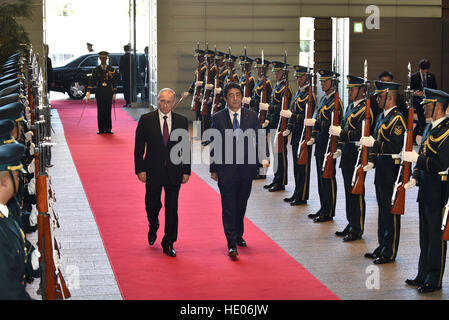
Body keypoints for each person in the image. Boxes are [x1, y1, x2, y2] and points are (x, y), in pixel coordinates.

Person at [210, 82, 269, 258]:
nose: (235, 99)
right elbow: (215, 144)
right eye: (231, 95)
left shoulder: (251, 116)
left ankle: (239, 234)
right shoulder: (218, 117)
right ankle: (231, 243)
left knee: (241, 204)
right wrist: (214, 168)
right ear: (226, 98)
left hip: (246, 169)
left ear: (242, 97)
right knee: (228, 206)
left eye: (237, 95)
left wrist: (264, 157)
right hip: (226, 169)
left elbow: (260, 137)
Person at [402, 88, 449, 293]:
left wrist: (417, 160)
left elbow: (440, 163)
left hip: (439, 190)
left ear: (438, 106)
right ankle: (422, 273)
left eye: (427, 105)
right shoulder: (431, 128)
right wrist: (414, 175)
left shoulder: (447, 131)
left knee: (435, 236)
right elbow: (423, 153)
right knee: (425, 236)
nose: (424, 109)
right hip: (426, 189)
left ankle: (434, 278)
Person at [134, 88, 191, 257]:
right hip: (152, 171)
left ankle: (169, 242)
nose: (165, 105)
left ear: (174, 103)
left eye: (169, 102)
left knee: (172, 208)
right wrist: (140, 169)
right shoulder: (146, 120)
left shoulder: (181, 121)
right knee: (152, 204)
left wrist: (186, 170)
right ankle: (153, 224)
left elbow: (185, 147)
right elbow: (138, 147)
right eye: (162, 101)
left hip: (174, 171)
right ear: (158, 101)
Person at [360, 80, 406, 264]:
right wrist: (371, 159)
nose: (377, 99)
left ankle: (390, 250)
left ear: (390, 97)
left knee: (390, 211)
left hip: (391, 170)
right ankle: (382, 245)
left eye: (380, 96)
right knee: (382, 210)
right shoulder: (381, 117)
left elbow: (395, 146)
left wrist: (375, 145)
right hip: (381, 168)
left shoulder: (397, 119)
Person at [330, 75, 373, 241]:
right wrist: (339, 147)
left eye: (353, 89)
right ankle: (351, 222)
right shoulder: (350, 107)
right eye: (348, 89)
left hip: (357, 156)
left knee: (357, 192)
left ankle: (358, 227)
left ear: (362, 91)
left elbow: (363, 135)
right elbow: (344, 126)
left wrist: (342, 133)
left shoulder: (365, 110)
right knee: (348, 192)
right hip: (347, 155)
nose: (349, 92)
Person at [0, 143, 36, 300]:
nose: (19, 179)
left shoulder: (4, 215)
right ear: (3, 182)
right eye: (16, 176)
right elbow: (7, 291)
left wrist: (33, 263)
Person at [306, 69, 343, 222]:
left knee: (328, 177)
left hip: (329, 144)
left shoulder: (336, 102)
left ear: (332, 83)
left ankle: (329, 210)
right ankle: (323, 207)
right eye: (321, 81)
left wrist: (318, 124)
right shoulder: (324, 100)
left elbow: (334, 124)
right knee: (321, 177)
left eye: (325, 81)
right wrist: (313, 135)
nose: (322, 83)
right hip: (320, 143)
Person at [283, 65, 316, 205]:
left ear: (306, 78)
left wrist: (293, 117)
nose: (298, 79)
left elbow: (307, 117)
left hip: (304, 134)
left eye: (300, 77)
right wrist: (289, 127)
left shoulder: (310, 95)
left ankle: (302, 196)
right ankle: (297, 192)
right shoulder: (298, 93)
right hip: (296, 134)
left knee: (303, 167)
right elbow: (293, 109)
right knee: (296, 165)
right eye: (297, 77)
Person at [263, 60, 292, 192]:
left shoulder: (286, 89)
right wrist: (268, 118)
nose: (275, 74)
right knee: (276, 153)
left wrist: (270, 108)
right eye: (274, 72)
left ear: (284, 73)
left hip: (282, 124)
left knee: (281, 153)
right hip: (274, 123)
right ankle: (276, 178)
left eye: (278, 72)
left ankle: (281, 180)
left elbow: (283, 108)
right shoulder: (277, 87)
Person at [250, 57, 272, 180]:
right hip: (256, 116)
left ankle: (263, 171)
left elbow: (268, 101)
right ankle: (257, 168)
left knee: (263, 146)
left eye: (261, 69)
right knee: (257, 144)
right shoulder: (259, 82)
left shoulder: (267, 83)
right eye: (257, 68)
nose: (259, 71)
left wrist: (267, 118)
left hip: (263, 118)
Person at [86, 51, 118, 134]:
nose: (103, 60)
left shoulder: (112, 70)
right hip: (99, 92)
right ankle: (101, 129)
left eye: (105, 58)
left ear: (107, 59)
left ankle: (108, 129)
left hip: (108, 92)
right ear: (100, 59)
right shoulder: (96, 70)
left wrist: (114, 93)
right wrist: (88, 91)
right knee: (100, 111)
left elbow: (114, 82)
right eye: (102, 58)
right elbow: (92, 81)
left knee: (108, 111)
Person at [411, 59, 437, 142]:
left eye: (425, 70)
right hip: (418, 101)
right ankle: (424, 139)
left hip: (428, 101)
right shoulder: (414, 76)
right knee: (422, 120)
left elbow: (434, 88)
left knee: (421, 121)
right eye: (422, 69)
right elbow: (411, 90)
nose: (424, 71)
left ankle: (414, 138)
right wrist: (415, 93)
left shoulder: (431, 76)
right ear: (420, 68)